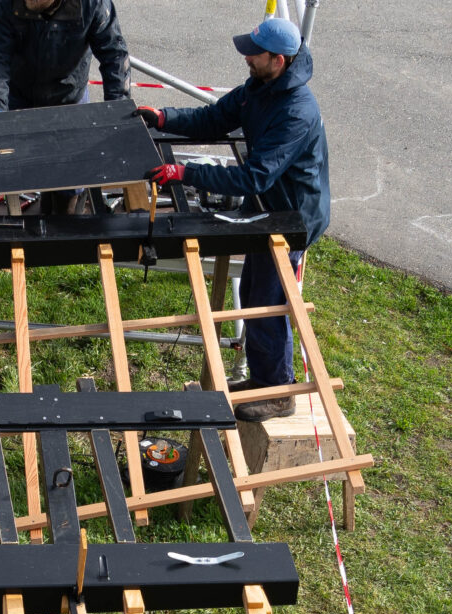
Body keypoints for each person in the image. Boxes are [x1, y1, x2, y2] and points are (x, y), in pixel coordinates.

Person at [133, 17, 327, 422]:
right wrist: (164, 118)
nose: (246, 58)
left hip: (292, 218)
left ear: (278, 60)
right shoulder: (259, 87)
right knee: (257, 291)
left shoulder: (296, 112)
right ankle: (263, 380)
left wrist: (187, 174)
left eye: (253, 54)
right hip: (269, 209)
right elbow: (215, 118)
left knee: (268, 303)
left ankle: (278, 393)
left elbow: (253, 176)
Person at [0, 0, 131, 215]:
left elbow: (115, 56)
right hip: (19, 92)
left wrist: (117, 116)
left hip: (67, 98)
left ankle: (61, 222)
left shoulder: (92, 4)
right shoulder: (8, 4)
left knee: (68, 180)